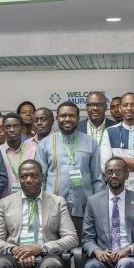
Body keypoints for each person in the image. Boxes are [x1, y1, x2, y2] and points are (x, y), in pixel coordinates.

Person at [36, 102, 104, 237]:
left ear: (78, 118)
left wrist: (99, 206)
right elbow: (40, 179)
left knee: (82, 244)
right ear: (57, 119)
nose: (67, 119)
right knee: (54, 246)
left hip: (84, 207)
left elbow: (97, 178)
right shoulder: (45, 144)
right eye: (63, 116)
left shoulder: (90, 142)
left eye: (71, 116)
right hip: (53, 207)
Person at [0, 112, 34, 198]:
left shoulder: (33, 149)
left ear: (22, 128)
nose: (12, 130)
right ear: (3, 129)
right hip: (4, 200)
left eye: (15, 126)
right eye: (8, 127)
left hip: (29, 198)